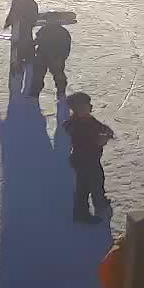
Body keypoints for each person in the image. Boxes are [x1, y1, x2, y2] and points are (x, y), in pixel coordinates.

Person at [63, 92, 114, 225]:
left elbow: (98, 126)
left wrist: (106, 129)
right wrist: (102, 139)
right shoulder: (77, 126)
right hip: (83, 161)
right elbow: (93, 141)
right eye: (87, 105)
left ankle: (100, 201)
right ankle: (82, 213)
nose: (90, 107)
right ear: (79, 109)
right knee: (85, 187)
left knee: (98, 180)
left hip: (92, 160)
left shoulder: (88, 119)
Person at [30, 17, 72, 99]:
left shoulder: (59, 31)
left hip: (52, 57)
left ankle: (60, 91)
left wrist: (62, 57)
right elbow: (37, 40)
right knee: (39, 75)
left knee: (56, 75)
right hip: (44, 56)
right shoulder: (58, 31)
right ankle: (36, 92)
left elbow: (66, 46)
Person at [4, 0, 39, 74]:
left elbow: (34, 15)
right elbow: (12, 12)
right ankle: (19, 61)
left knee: (27, 41)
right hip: (17, 26)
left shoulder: (31, 3)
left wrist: (30, 22)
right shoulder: (15, 2)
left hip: (26, 25)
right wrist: (8, 22)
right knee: (18, 43)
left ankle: (29, 57)